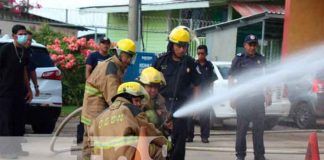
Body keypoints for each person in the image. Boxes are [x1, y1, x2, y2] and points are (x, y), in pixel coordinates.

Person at [81, 38, 136, 159]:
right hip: (95, 113)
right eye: (128, 57)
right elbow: (114, 99)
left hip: (94, 111)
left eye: (132, 57)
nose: (130, 61)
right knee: (95, 147)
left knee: (90, 147)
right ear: (120, 54)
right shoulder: (111, 70)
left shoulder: (114, 65)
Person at [153, 26, 201, 160]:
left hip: (182, 106)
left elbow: (197, 85)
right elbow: (150, 84)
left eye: (185, 46)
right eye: (179, 46)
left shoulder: (190, 63)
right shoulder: (160, 61)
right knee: (160, 141)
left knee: (179, 143)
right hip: (161, 106)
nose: (182, 49)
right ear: (172, 45)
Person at [90, 81, 170, 160]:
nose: (139, 104)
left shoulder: (99, 117)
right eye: (137, 100)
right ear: (127, 98)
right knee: (160, 151)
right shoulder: (131, 109)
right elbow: (151, 132)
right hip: (126, 156)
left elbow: (91, 142)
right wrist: (167, 144)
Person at [229, 34, 271, 160]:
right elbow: (231, 79)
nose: (252, 47)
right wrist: (232, 97)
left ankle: (259, 155)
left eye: (254, 45)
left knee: (258, 130)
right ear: (245, 46)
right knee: (242, 130)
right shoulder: (239, 59)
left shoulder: (261, 59)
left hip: (258, 99)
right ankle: (240, 155)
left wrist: (268, 94)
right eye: (250, 45)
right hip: (243, 100)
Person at [0, 24, 33, 159]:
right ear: (14, 36)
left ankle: (16, 147)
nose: (23, 36)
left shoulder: (25, 52)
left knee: (18, 121)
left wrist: (29, 89)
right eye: (21, 34)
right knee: (6, 121)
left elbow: (25, 72)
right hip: (5, 91)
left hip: (19, 91)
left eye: (25, 34)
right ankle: (6, 150)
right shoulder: (5, 50)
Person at [77, 37, 111, 144]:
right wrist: (89, 85)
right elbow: (88, 69)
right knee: (86, 114)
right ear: (99, 44)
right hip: (92, 91)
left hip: (104, 91)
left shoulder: (110, 58)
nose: (105, 45)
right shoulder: (93, 56)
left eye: (107, 43)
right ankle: (81, 136)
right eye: (103, 43)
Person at [187, 45, 217, 143]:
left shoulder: (209, 65)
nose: (200, 55)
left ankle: (204, 137)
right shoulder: (194, 65)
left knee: (204, 117)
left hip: (205, 94)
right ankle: (189, 136)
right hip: (194, 93)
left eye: (202, 53)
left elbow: (212, 80)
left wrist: (211, 93)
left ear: (206, 54)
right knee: (191, 116)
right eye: (198, 53)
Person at [138, 67, 172, 136]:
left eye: (156, 87)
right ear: (143, 86)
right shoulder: (136, 99)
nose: (153, 90)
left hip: (156, 137)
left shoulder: (160, 99)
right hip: (140, 136)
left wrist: (166, 123)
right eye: (150, 87)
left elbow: (164, 118)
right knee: (151, 114)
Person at [25, 31, 40, 97]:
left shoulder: (30, 53)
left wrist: (36, 87)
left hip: (24, 86)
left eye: (30, 40)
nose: (29, 42)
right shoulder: (12, 51)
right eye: (27, 40)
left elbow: (32, 71)